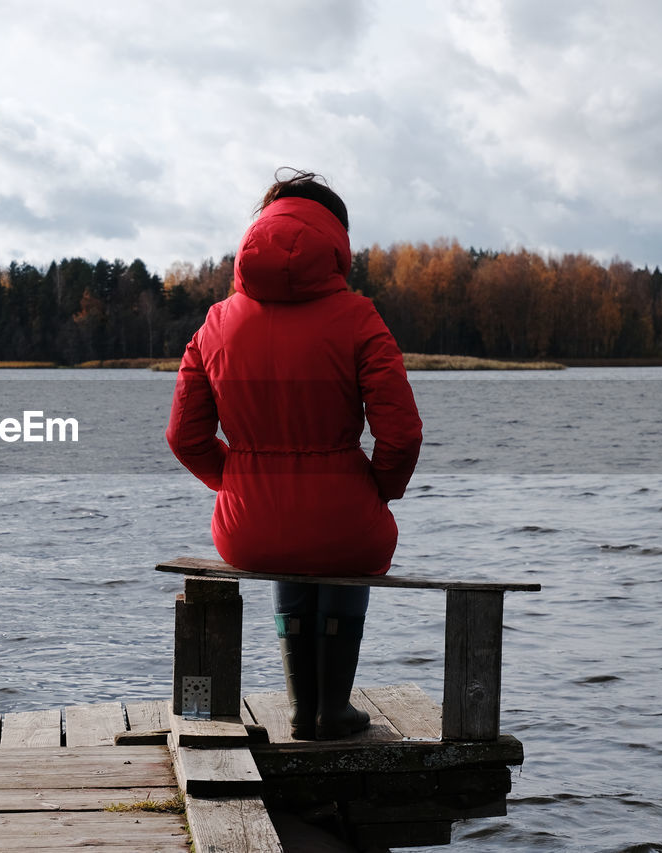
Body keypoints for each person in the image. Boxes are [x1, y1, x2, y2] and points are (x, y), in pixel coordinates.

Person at [165, 169, 422, 740]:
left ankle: (301, 707)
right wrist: (378, 488)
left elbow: (184, 437)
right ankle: (332, 709)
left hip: (248, 528)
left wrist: (236, 481)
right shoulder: (359, 319)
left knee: (293, 540)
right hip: (345, 521)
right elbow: (400, 435)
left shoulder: (217, 322)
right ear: (336, 240)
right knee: (341, 539)